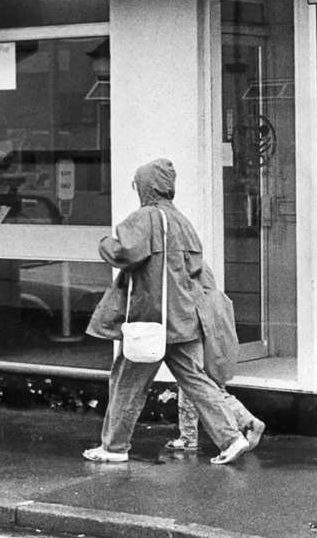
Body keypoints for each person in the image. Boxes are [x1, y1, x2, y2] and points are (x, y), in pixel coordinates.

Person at [83, 158, 255, 465]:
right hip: (184, 319)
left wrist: (104, 244)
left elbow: (125, 253)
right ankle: (231, 438)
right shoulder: (182, 221)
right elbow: (196, 270)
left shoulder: (146, 217)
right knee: (196, 380)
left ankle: (114, 447)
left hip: (151, 320)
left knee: (126, 382)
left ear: (146, 187)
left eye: (138, 184)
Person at [165, 260, 265, 454]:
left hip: (195, 332)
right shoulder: (211, 286)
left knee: (193, 383)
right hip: (215, 335)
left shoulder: (179, 271)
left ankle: (189, 437)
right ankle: (247, 421)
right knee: (210, 386)